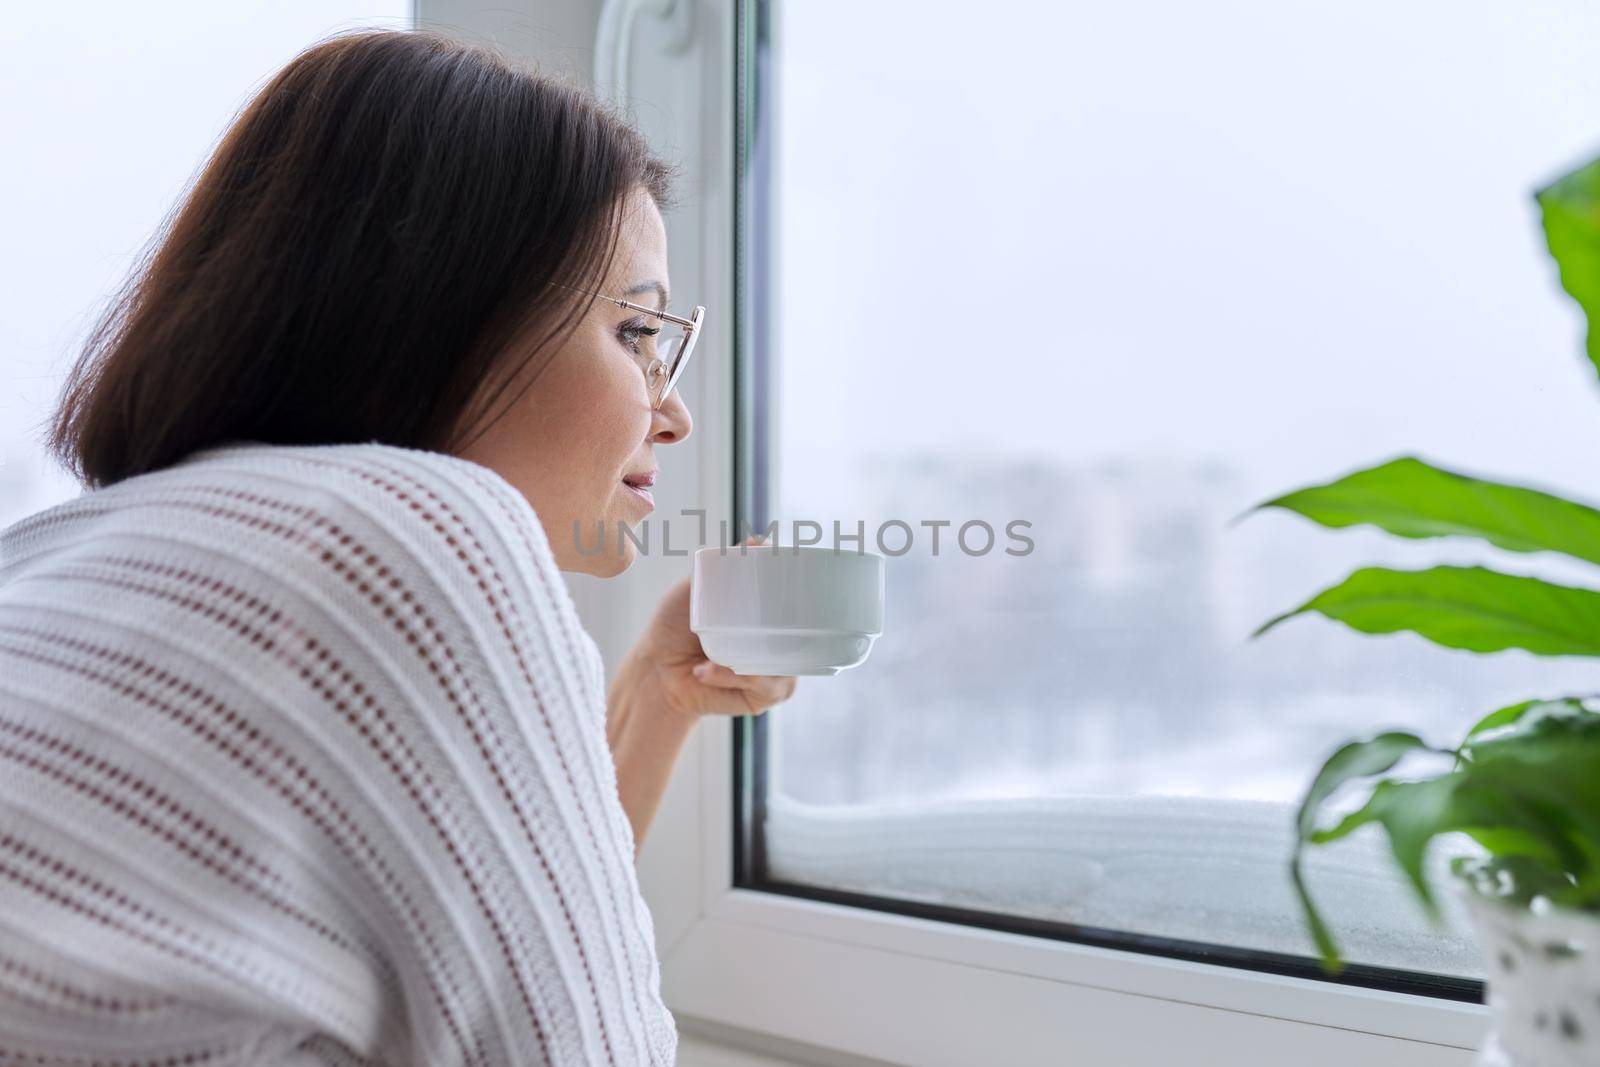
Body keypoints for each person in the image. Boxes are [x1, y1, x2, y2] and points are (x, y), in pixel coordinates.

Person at [0, 28, 795, 1065]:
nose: (673, 411)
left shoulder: (67, 546)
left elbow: (453, 938)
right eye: (637, 334)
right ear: (448, 317)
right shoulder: (417, 532)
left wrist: (650, 698)